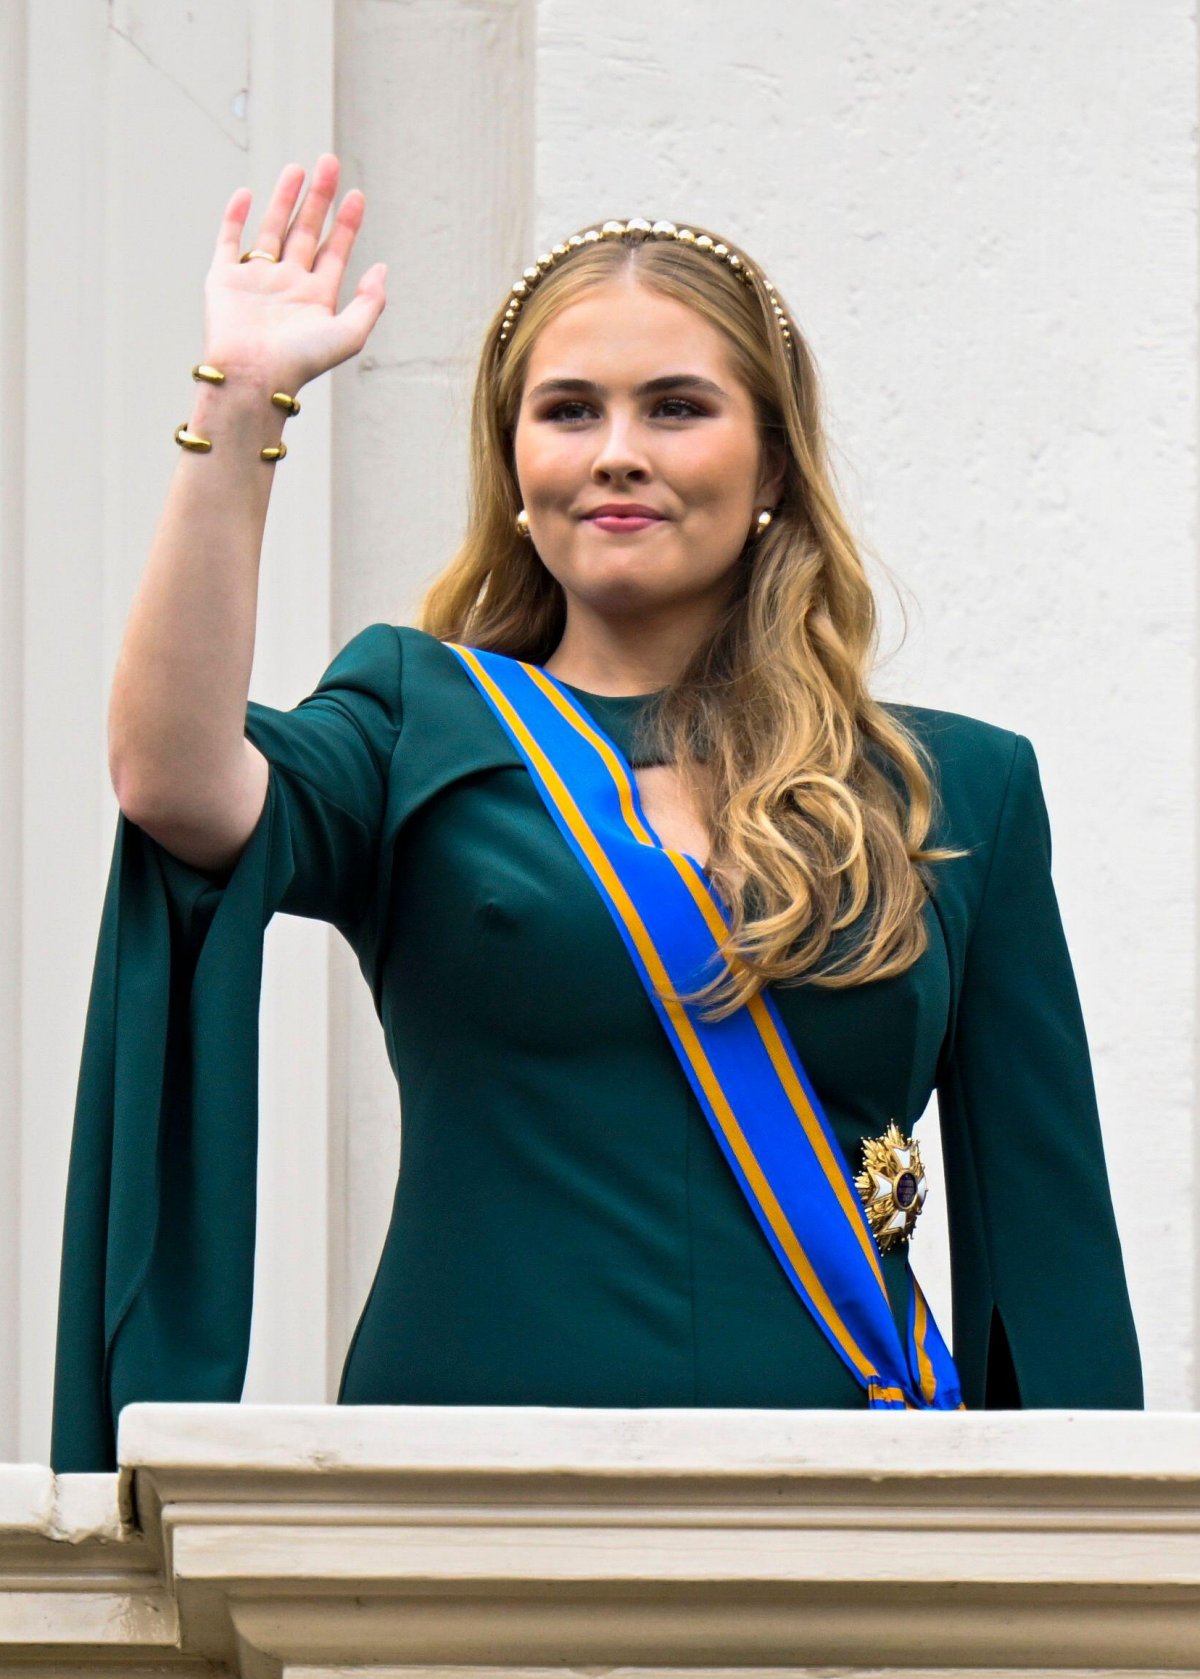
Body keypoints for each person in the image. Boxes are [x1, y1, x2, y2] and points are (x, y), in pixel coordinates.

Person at [50, 154, 1143, 1473]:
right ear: (515, 468)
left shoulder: (954, 787)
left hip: (858, 1502)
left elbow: (1049, 1252)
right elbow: (174, 778)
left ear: (774, 468)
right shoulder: (416, 722)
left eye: (676, 407)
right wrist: (242, 401)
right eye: (568, 411)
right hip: (464, 1482)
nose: (617, 451)